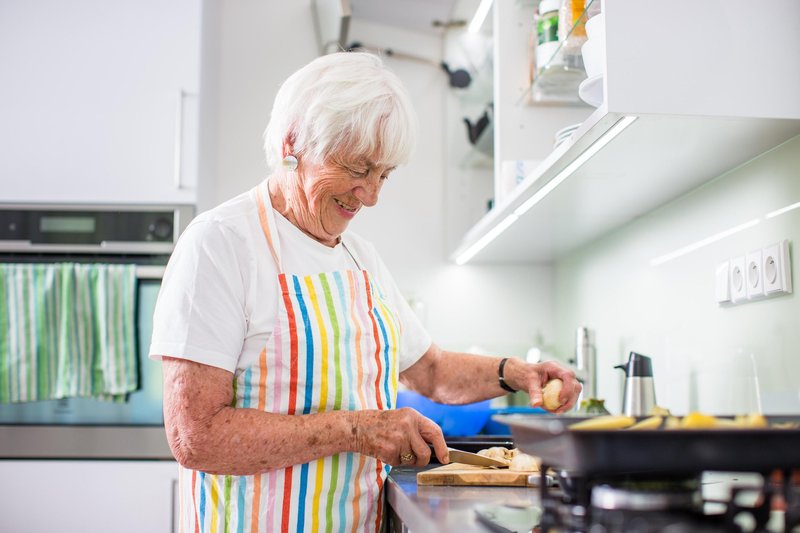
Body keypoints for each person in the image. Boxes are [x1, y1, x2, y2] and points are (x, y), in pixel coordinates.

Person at [149, 51, 581, 533]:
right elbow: (196, 436)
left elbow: (431, 371)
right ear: (294, 143)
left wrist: (515, 373)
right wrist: (358, 429)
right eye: (358, 169)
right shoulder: (220, 244)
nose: (371, 195)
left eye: (384, 175)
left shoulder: (359, 256)